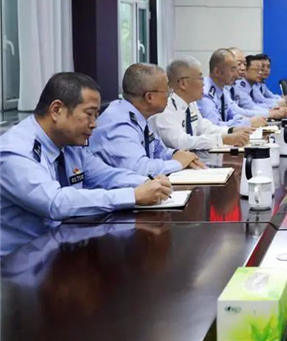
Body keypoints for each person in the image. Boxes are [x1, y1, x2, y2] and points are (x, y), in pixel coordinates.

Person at [0, 73, 172, 256]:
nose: (94, 124)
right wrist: (133, 196)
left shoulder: (69, 143)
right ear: (56, 110)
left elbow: (106, 175)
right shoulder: (16, 151)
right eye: (89, 114)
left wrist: (148, 182)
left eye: (96, 115)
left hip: (62, 248)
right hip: (19, 263)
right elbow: (55, 203)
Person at [90, 63, 203, 176]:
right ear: (149, 97)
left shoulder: (140, 116)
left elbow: (159, 151)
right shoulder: (118, 124)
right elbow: (140, 169)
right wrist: (178, 163)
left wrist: (177, 155)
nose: (169, 95)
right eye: (166, 91)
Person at [150, 57, 252, 150]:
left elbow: (204, 127)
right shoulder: (164, 107)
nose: (204, 84)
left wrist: (231, 131)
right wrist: (222, 139)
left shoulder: (190, 103)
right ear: (183, 84)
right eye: (200, 78)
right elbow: (180, 142)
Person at [197, 48, 267, 127]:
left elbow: (232, 114)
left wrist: (244, 120)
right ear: (217, 71)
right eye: (232, 70)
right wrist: (248, 123)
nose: (236, 74)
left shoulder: (222, 89)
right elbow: (215, 126)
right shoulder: (205, 93)